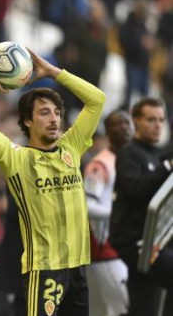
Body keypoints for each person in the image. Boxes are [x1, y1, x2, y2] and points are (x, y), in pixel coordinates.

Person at [0, 50, 106, 316]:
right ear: (26, 121)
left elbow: (97, 100)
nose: (55, 119)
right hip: (44, 269)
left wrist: (54, 72)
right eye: (45, 113)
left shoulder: (72, 147)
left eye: (57, 113)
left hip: (78, 266)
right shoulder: (17, 159)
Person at [110, 97, 173, 316]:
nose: (158, 125)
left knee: (144, 308)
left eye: (161, 120)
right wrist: (167, 166)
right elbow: (136, 188)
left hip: (155, 239)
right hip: (135, 240)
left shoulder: (156, 154)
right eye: (151, 120)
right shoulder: (128, 153)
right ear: (136, 120)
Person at [83, 111, 131, 316]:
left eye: (126, 124)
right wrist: (118, 212)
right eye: (116, 125)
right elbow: (87, 205)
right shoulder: (100, 165)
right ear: (107, 132)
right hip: (105, 247)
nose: (123, 129)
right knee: (122, 306)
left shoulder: (130, 160)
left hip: (125, 245)